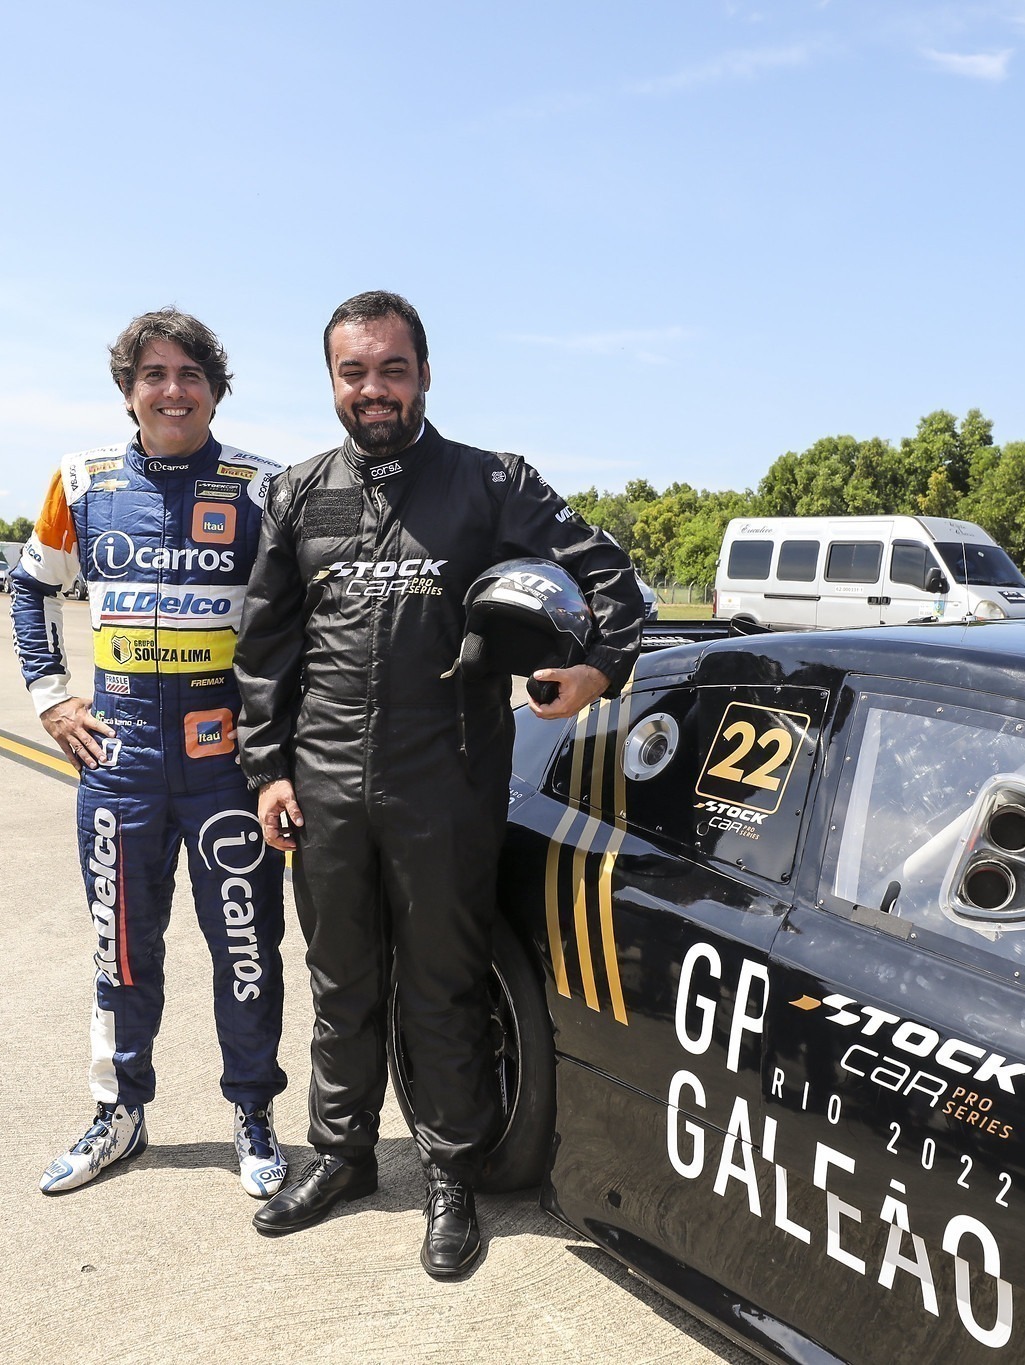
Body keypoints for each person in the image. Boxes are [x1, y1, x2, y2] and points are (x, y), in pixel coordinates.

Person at [234, 290, 643, 1279]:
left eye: (391, 369)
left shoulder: (490, 484)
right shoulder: (295, 494)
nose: (373, 389)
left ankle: (451, 1176)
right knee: (340, 979)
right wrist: (268, 767)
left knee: (443, 984)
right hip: (325, 776)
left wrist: (597, 666)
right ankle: (340, 1156)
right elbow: (263, 650)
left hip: (446, 777)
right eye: (353, 372)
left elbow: (611, 581)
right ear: (331, 380)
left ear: (423, 373)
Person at [9, 309, 290, 1199]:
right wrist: (53, 699)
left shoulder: (264, 486)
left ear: (216, 385)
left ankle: (253, 1113)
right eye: (153, 375)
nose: (173, 390)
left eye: (190, 373)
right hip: (120, 766)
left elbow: (301, 622)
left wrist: (275, 733)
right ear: (127, 390)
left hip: (226, 770)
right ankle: (118, 1114)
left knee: (246, 948)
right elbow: (30, 586)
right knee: (120, 951)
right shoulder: (80, 480)